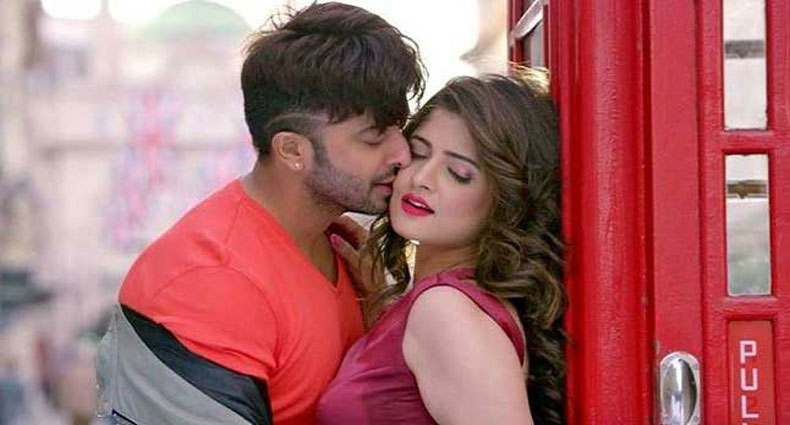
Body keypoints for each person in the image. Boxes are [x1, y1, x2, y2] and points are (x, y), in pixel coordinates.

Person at [95, 3, 425, 425]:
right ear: (292, 150)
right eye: (373, 139)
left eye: (399, 128)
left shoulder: (341, 247)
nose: (402, 154)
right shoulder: (209, 282)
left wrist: (384, 316)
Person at [317, 72, 567, 425]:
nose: (421, 178)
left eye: (458, 173)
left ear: (507, 201)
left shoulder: (444, 311)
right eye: (418, 153)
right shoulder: (445, 303)